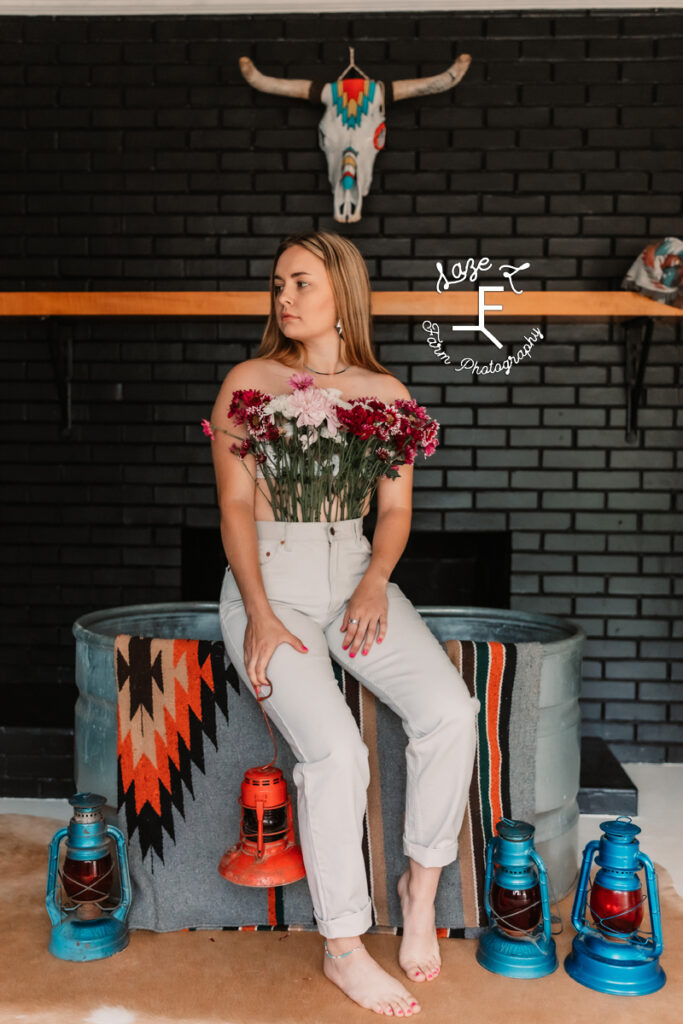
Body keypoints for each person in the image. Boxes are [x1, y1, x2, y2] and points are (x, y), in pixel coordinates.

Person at [209, 230, 478, 1018]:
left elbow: (393, 511)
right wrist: (257, 615)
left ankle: (418, 890)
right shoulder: (248, 382)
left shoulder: (385, 394)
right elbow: (231, 505)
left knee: (450, 713)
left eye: (299, 282)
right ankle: (343, 944)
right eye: (276, 286)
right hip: (272, 585)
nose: (283, 298)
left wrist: (374, 584)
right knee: (334, 752)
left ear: (341, 293)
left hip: (355, 580)